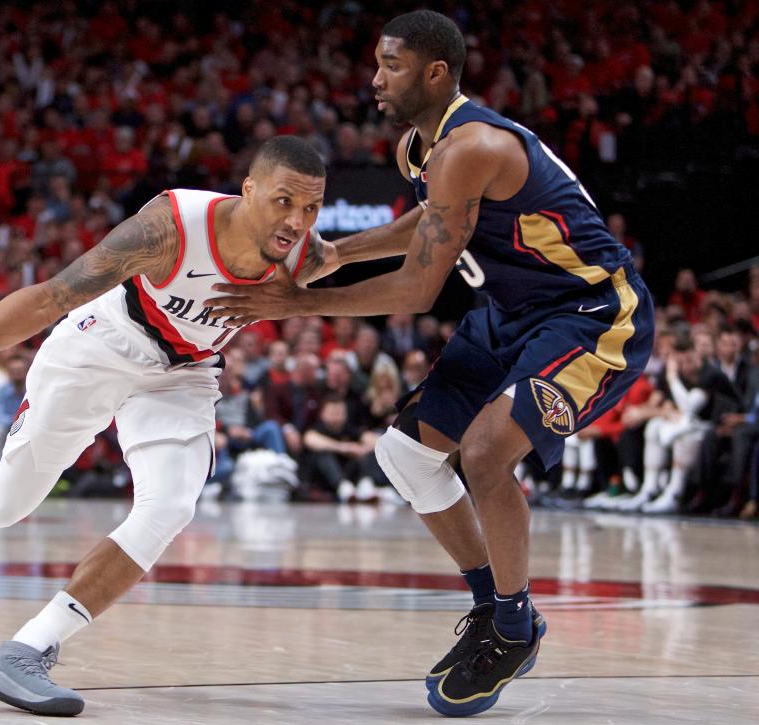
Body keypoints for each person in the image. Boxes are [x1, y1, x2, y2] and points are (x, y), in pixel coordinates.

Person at [206, 11, 655, 717]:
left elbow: (418, 289)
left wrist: (295, 303)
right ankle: (492, 606)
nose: (376, 78)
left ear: (436, 72)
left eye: (390, 65)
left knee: (483, 455)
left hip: (591, 312)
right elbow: (440, 217)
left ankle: (513, 626)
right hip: (507, 313)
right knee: (405, 456)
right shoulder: (421, 148)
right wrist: (342, 251)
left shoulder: (471, 144)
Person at [0, 136, 347, 717]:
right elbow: (51, 296)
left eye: (311, 209)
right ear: (248, 189)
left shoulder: (296, 250)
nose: (297, 221)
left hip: (182, 374)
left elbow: (350, 252)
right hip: (101, 344)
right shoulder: (171, 227)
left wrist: (455, 217)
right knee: (7, 502)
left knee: (170, 505)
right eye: (285, 202)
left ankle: (28, 648)